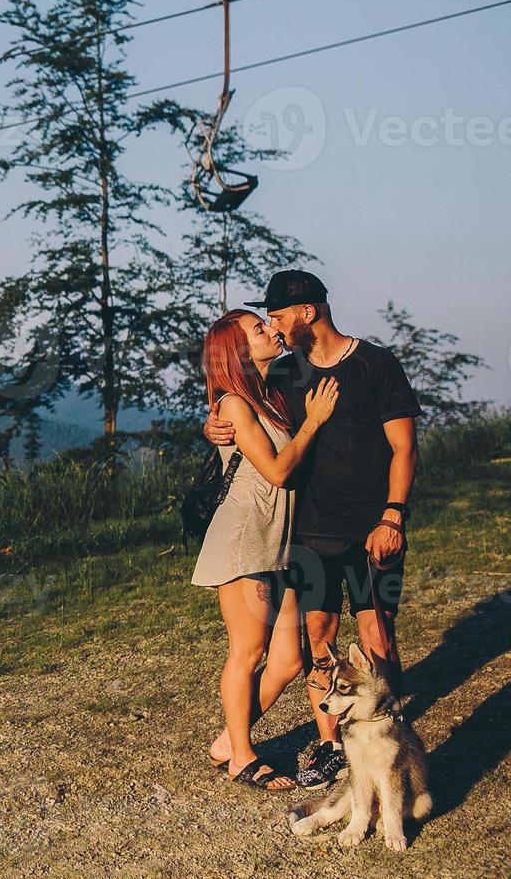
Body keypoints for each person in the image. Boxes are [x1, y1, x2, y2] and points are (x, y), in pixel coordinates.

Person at [205, 270, 421, 790]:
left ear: (308, 311)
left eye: (277, 316)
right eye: (266, 322)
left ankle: (384, 731)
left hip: (374, 530)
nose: (274, 328)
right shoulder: (282, 374)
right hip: (308, 534)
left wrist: (393, 516)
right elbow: (240, 411)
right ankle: (330, 745)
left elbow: (404, 448)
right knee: (318, 642)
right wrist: (210, 424)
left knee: (378, 637)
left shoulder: (375, 364)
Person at [197, 309, 339, 791]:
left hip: (276, 543)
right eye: (259, 329)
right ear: (238, 349)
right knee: (248, 651)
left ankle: (226, 741)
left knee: (287, 660)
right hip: (242, 543)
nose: (271, 330)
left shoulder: (267, 393)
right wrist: (314, 422)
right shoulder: (234, 404)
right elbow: (278, 471)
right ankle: (241, 756)